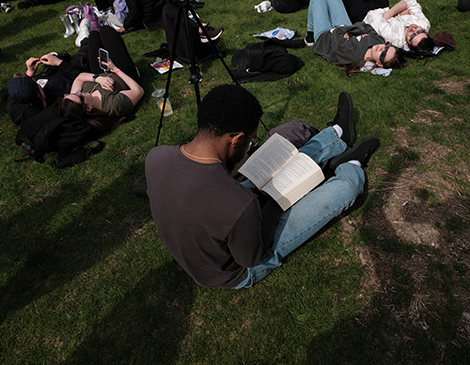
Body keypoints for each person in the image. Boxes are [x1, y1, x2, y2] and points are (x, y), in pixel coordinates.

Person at [145, 85, 381, 289]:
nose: (249, 146)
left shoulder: (155, 156)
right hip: (235, 270)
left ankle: (337, 135)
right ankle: (351, 165)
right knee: (346, 189)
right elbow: (252, 256)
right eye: (251, 141)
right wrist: (277, 200)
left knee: (278, 169)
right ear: (236, 139)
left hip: (213, 229)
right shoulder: (238, 204)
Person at [55, 26, 144, 131]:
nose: (79, 92)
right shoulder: (112, 105)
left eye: (73, 94)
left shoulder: (76, 99)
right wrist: (115, 69)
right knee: (107, 31)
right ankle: (134, 69)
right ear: (88, 108)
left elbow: (79, 78)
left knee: (94, 36)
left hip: (100, 72)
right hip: (124, 74)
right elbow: (138, 91)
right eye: (80, 96)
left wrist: (97, 78)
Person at [305, 0, 407, 74]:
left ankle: (311, 34)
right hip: (345, 27)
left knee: (317, 1)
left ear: (379, 64)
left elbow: (337, 35)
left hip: (325, 40)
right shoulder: (378, 41)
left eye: (383, 53)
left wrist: (347, 31)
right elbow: (366, 25)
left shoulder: (355, 56)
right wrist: (349, 30)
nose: (381, 48)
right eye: (387, 47)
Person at [7, 45, 90, 126]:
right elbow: (82, 77)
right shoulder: (62, 101)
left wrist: (29, 73)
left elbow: (18, 90)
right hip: (75, 68)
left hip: (56, 72)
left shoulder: (16, 111)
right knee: (90, 44)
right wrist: (59, 63)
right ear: (41, 93)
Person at [343, 0, 435, 51]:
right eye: (420, 31)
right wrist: (390, 14)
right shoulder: (424, 24)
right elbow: (411, 2)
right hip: (383, 6)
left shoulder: (394, 38)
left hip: (364, 15)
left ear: (408, 44)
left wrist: (395, 12)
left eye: (412, 36)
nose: (414, 30)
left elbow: (374, 19)